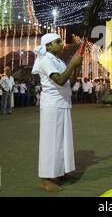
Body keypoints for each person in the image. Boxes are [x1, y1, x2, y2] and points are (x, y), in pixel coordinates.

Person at [31, 32, 82, 192]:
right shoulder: (45, 60)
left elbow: (69, 82)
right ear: (47, 46)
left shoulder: (58, 61)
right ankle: (45, 179)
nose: (62, 44)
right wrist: (72, 64)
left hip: (63, 104)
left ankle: (60, 172)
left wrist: (76, 69)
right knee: (51, 142)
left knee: (62, 141)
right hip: (52, 106)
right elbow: (59, 81)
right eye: (58, 42)